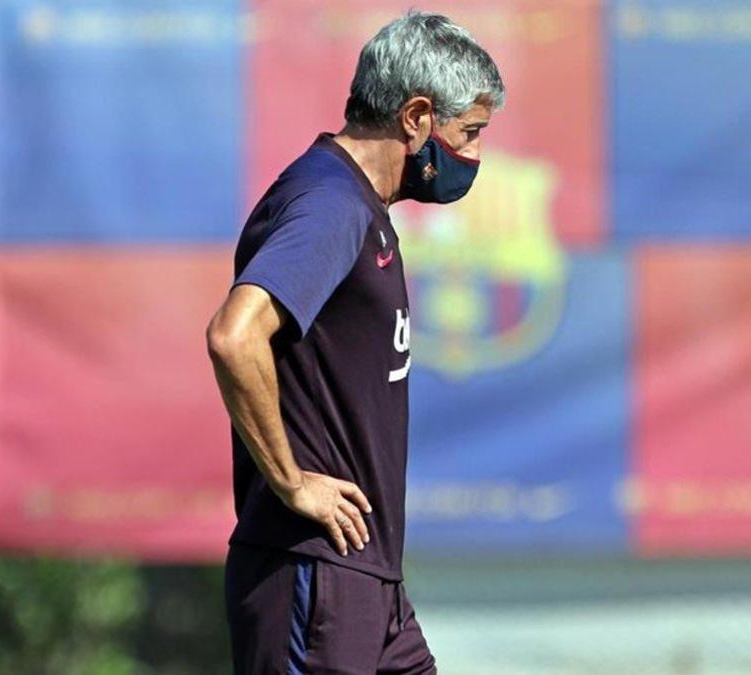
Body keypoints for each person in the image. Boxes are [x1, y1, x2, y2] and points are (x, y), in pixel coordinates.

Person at [205, 11, 503, 673]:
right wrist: (290, 481)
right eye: (471, 133)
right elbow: (234, 335)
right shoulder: (332, 204)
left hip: (369, 583)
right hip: (312, 576)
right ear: (417, 116)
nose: (475, 157)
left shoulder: (361, 207)